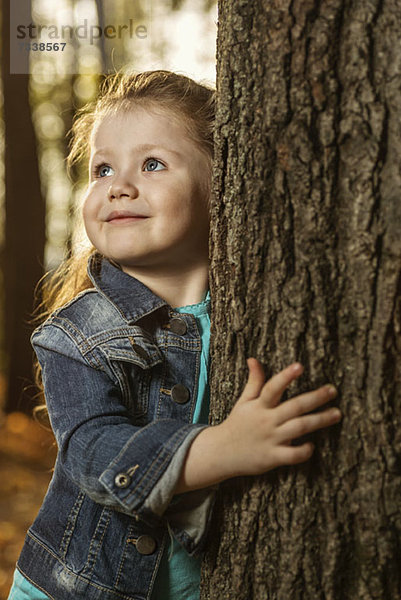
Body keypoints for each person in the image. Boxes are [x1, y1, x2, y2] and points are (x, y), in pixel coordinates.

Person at [8, 70, 341, 600]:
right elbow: (93, 453)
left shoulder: (255, 307)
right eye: (103, 168)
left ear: (221, 184)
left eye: (153, 163)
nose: (118, 184)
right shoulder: (76, 334)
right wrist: (225, 448)